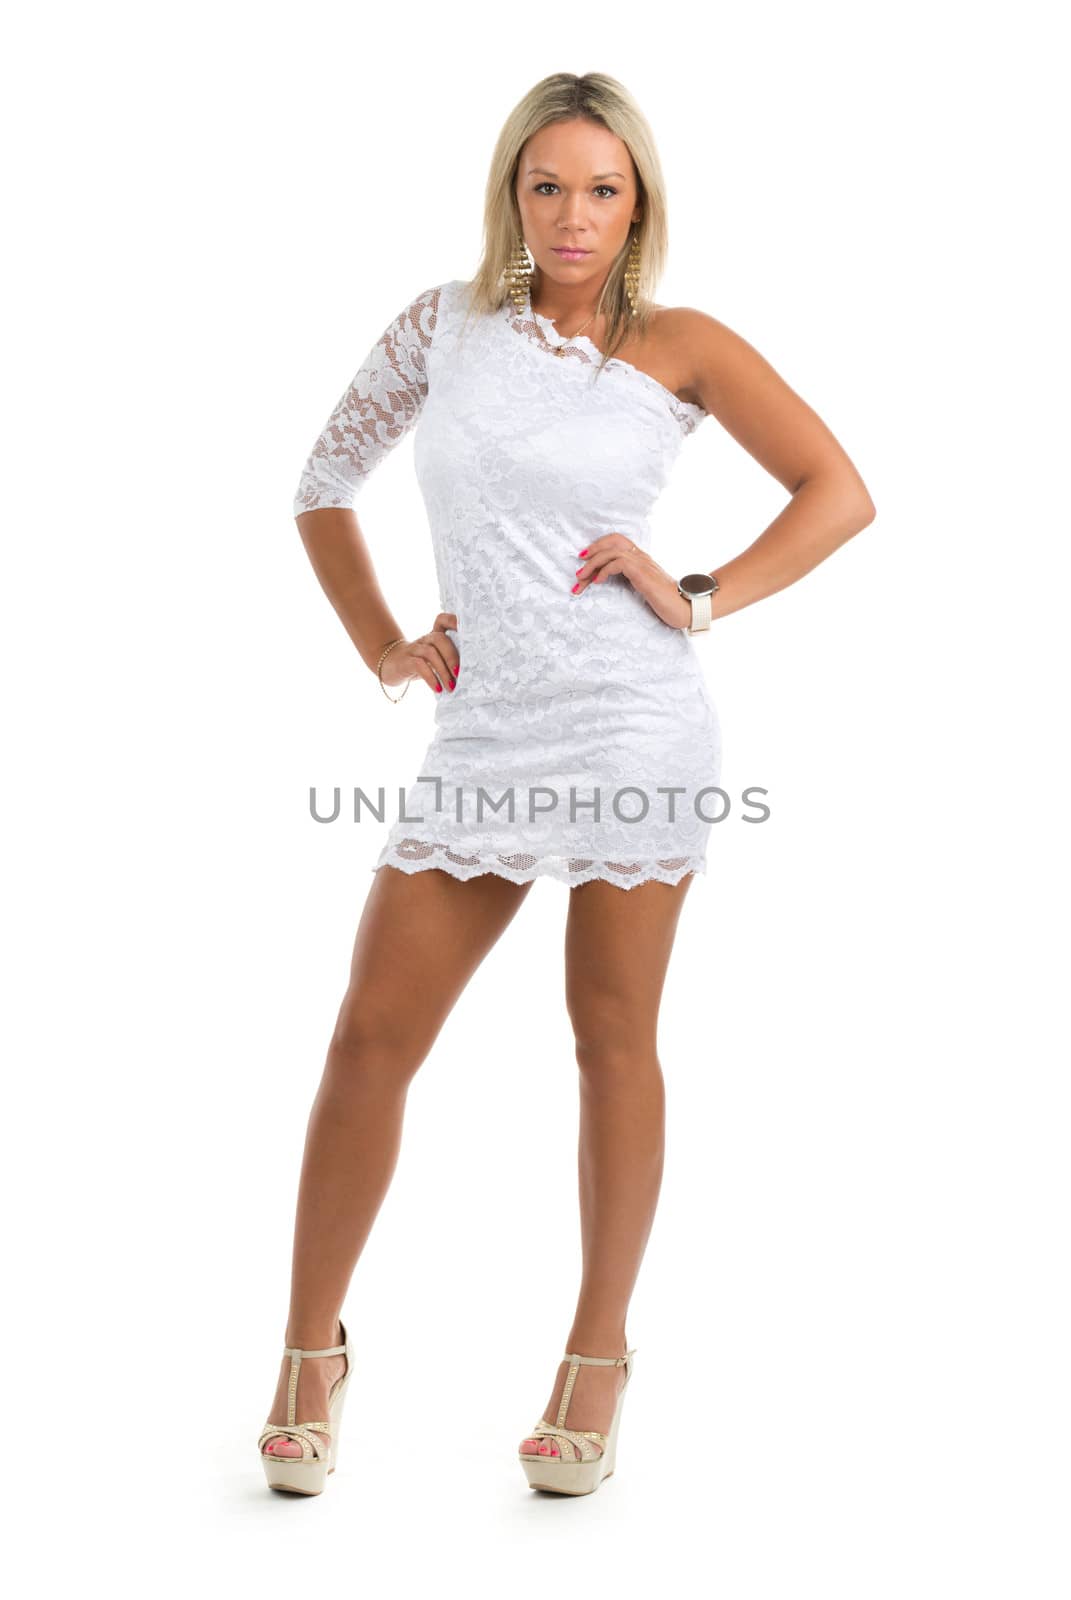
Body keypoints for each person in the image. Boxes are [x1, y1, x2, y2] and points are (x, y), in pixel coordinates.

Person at [258, 71, 876, 1497]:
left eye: (604, 187)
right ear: (511, 196)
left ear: (639, 198)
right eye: (549, 186)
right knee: (371, 1034)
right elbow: (321, 481)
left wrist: (701, 593)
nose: (575, 214)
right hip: (484, 736)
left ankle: (595, 1361)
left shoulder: (684, 345)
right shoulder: (447, 326)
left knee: (611, 1042)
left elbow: (839, 492)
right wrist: (389, 645)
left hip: (631, 727)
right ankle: (308, 1353)